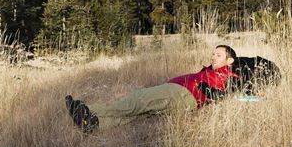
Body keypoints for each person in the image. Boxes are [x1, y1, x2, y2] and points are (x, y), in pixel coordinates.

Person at [65, 45, 240, 132]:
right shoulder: (214, 71)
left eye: (219, 55)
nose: (213, 56)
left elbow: (220, 91)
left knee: (138, 100)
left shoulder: (227, 74)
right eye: (213, 53)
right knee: (139, 114)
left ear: (230, 60)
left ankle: (86, 110)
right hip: (182, 95)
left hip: (181, 93)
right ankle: (94, 124)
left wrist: (203, 87)